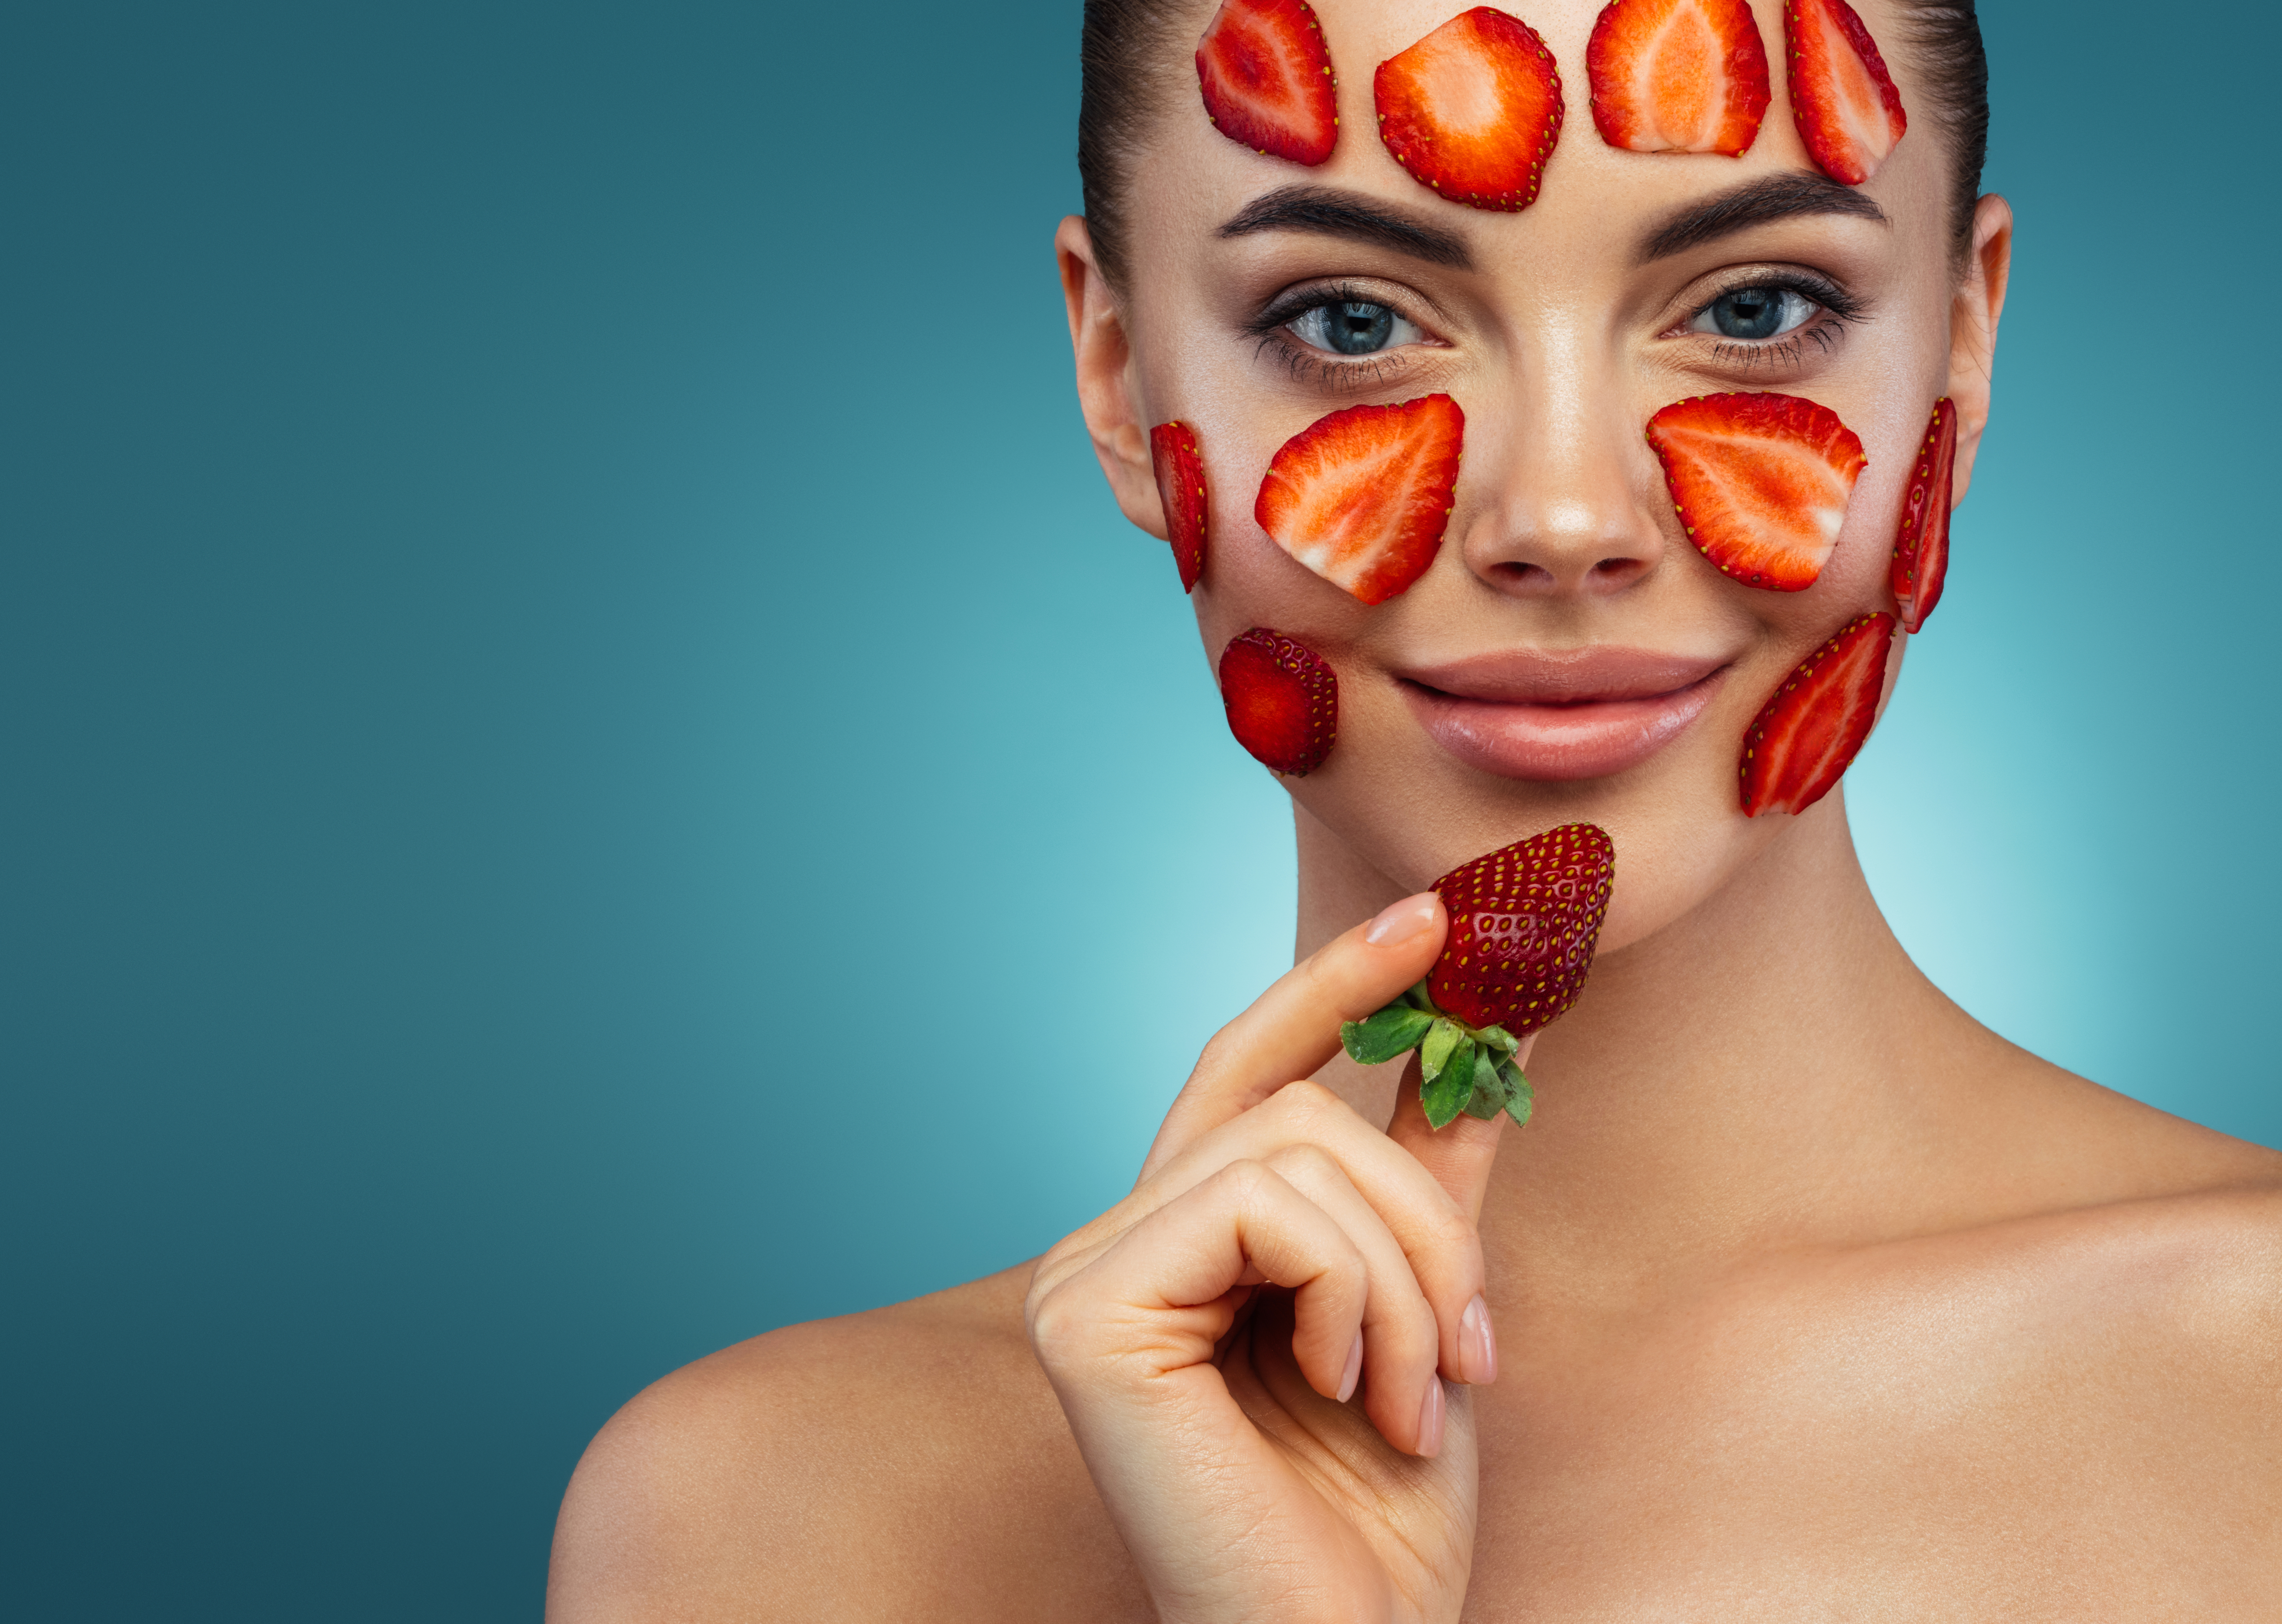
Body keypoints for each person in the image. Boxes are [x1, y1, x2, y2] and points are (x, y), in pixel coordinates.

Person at [547, 0, 2282, 1615]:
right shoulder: (767, 1525)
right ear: (1116, 373)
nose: (1563, 512)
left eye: (1756, 306)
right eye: (1350, 322)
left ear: (1960, 355)